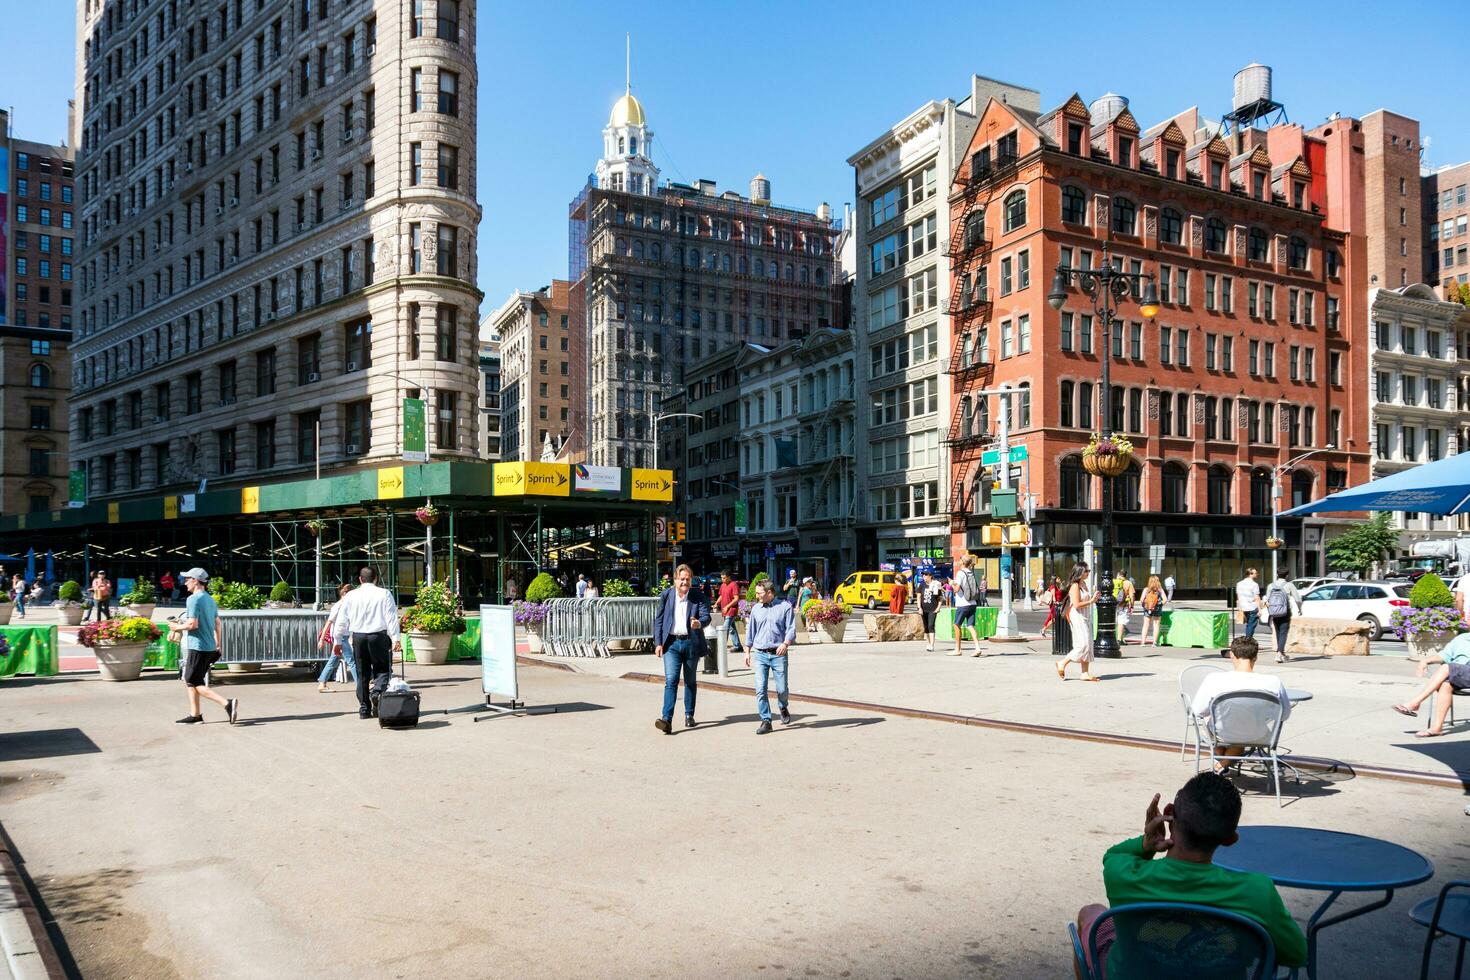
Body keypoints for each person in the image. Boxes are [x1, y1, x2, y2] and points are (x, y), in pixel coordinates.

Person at [1074, 773, 1307, 977]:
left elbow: (1113, 856)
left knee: (1091, 913)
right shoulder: (1258, 893)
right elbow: (1297, 955)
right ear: (1230, 839)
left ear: (1168, 815)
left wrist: (1146, 844)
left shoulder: (1123, 874)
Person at [1192, 637, 1291, 771]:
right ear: (1256, 657)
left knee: (1213, 720)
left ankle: (1222, 764)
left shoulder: (1214, 679)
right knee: (1245, 724)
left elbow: (1197, 711)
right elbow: (1284, 715)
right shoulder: (1273, 682)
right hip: (1258, 735)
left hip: (1223, 733)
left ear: (1232, 655)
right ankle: (1223, 763)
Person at [333, 566, 402, 720]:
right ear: (376, 578)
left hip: (358, 637)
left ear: (360, 579)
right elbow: (391, 618)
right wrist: (396, 638)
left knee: (362, 673)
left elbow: (342, 620)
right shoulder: (384, 594)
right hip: (378, 636)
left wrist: (337, 641)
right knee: (382, 670)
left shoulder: (351, 596)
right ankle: (377, 693)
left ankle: (364, 709)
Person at [172, 568, 239, 726]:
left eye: (187, 579)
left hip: (198, 647)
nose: (185, 582)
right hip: (209, 647)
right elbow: (217, 623)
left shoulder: (193, 599)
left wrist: (176, 628)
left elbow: (192, 624)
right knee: (192, 680)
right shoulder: (209, 599)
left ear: (195, 580)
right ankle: (195, 715)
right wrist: (218, 644)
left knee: (192, 680)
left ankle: (227, 704)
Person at [652, 564, 710, 734]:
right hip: (672, 644)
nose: (685, 582)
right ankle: (666, 719)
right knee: (671, 680)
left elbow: (706, 616)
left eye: (687, 579)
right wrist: (658, 643)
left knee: (690, 681)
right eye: (682, 579)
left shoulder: (697, 596)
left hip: (691, 642)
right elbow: (659, 620)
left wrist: (699, 623)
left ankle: (689, 714)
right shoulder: (667, 595)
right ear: (675, 580)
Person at [1393, 630, 1470, 737]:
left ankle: (1415, 702)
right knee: (1445, 684)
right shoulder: (1462, 638)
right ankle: (1437, 728)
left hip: (1463, 670)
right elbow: (1444, 655)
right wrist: (1424, 661)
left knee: (1447, 667)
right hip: (1459, 674)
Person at [745, 577, 796, 734]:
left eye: (760, 593)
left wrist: (785, 643)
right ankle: (766, 720)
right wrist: (747, 651)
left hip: (778, 653)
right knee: (760, 689)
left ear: (769, 592)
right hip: (760, 654)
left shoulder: (785, 607)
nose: (757, 595)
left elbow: (791, 629)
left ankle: (783, 706)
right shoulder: (756, 609)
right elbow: (750, 630)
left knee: (781, 689)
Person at [1057, 563, 1098, 681]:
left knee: (1088, 644)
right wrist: (1091, 601)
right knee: (1083, 645)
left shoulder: (1084, 584)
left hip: (1085, 616)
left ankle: (1084, 673)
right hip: (1078, 616)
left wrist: (1093, 599)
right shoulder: (1075, 586)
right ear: (1080, 572)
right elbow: (1076, 604)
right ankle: (1062, 663)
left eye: (1089, 571)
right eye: (1087, 571)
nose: (1088, 573)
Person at [316, 583, 357, 693]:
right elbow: (329, 623)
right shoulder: (339, 606)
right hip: (341, 637)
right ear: (345, 594)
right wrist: (321, 639)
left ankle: (322, 682)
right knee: (351, 660)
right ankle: (360, 685)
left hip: (341, 636)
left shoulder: (343, 605)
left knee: (333, 660)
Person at [1262, 571, 1302, 664]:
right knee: (1283, 632)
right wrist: (1300, 609)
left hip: (1274, 612)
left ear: (1277, 575)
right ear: (1287, 575)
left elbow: (1266, 599)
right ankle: (1279, 653)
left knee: (1278, 632)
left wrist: (1272, 609)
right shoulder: (1289, 585)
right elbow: (1297, 599)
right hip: (1285, 611)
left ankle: (1282, 652)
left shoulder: (1270, 586)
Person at [951, 555, 983, 657]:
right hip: (972, 603)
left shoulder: (960, 573)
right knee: (970, 626)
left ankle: (957, 649)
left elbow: (956, 589)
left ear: (963, 562)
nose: (959, 561)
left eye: (960, 560)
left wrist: (951, 583)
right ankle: (977, 648)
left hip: (963, 603)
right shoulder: (971, 572)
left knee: (956, 625)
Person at [715, 570, 744, 661]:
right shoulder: (723, 585)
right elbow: (721, 596)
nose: (722, 580)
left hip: (731, 610)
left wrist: (727, 606)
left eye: (724, 578)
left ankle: (721, 646)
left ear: (728, 577)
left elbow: (736, 599)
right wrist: (716, 603)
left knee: (725, 628)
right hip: (725, 610)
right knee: (732, 629)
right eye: (721, 578)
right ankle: (738, 646)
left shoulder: (734, 584)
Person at [918, 569, 943, 653]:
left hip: (933, 609)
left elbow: (940, 598)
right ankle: (928, 643)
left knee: (931, 626)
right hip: (923, 609)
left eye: (925, 575)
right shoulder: (921, 585)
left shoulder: (936, 584)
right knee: (926, 628)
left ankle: (932, 644)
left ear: (930, 576)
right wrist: (919, 608)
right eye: (923, 575)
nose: (924, 576)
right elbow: (918, 597)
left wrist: (938, 608)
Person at [1235, 567, 1262, 640]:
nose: (1257, 574)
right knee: (1251, 625)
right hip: (1252, 607)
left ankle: (1247, 639)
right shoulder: (1254, 584)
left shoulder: (1239, 584)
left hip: (1243, 607)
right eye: (1255, 573)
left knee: (1248, 624)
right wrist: (1260, 609)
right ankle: (1248, 640)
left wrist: (1239, 607)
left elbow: (1238, 596)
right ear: (1250, 574)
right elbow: (1257, 597)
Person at [1138, 575, 1165, 646]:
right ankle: (1154, 642)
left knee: (1146, 625)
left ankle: (1143, 642)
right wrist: (1158, 604)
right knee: (1156, 625)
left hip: (1147, 609)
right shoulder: (1160, 590)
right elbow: (1165, 600)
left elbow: (1141, 600)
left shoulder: (1146, 590)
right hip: (1157, 609)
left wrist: (1147, 605)